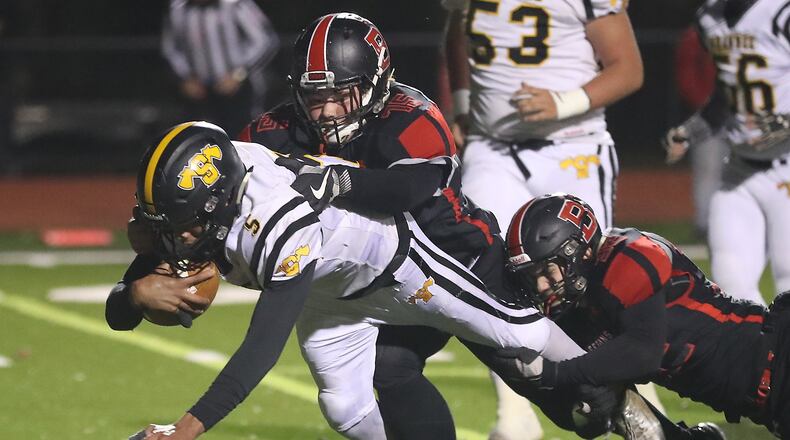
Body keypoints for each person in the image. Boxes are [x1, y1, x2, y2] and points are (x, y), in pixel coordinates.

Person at [108, 122, 627, 439]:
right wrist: (134, 294)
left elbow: (261, 349)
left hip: (394, 260)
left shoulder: (275, 224)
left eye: (184, 227)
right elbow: (120, 307)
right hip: (329, 289)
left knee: (519, 332)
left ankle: (649, 421)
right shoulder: (208, 174)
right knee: (345, 407)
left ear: (217, 208)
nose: (175, 240)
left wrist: (187, 429)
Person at [236, 12, 520, 439]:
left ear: (376, 83)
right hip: (398, 281)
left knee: (538, 370)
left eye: (341, 94)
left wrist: (339, 179)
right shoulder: (276, 129)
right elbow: (223, 180)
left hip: (465, 260)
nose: (326, 109)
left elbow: (408, 189)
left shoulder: (410, 115)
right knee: (389, 368)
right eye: (315, 96)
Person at [442, 1, 646, 437]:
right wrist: (462, 104)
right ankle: (514, 414)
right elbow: (457, 30)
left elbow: (627, 67)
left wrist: (564, 102)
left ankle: (635, 404)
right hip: (493, 148)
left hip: (573, 146)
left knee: (590, 283)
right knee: (490, 279)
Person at [503, 192, 788, 438]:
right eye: (532, 278)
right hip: (765, 397)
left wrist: (555, 373)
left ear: (578, 251)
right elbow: (607, 397)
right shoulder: (578, 309)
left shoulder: (630, 256)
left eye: (546, 271)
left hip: (779, 358)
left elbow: (642, 353)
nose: (541, 286)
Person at [663, 0, 790, 305]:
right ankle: (764, 352)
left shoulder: (781, 13)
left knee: (787, 279)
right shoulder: (709, 18)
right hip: (738, 169)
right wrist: (691, 131)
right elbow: (728, 94)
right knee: (731, 287)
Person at [162, 0, 279, 136]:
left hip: (239, 88)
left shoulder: (236, 5)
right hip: (198, 91)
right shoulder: (178, 9)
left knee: (243, 135)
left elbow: (265, 41)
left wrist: (238, 75)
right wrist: (184, 78)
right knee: (200, 139)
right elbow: (170, 49)